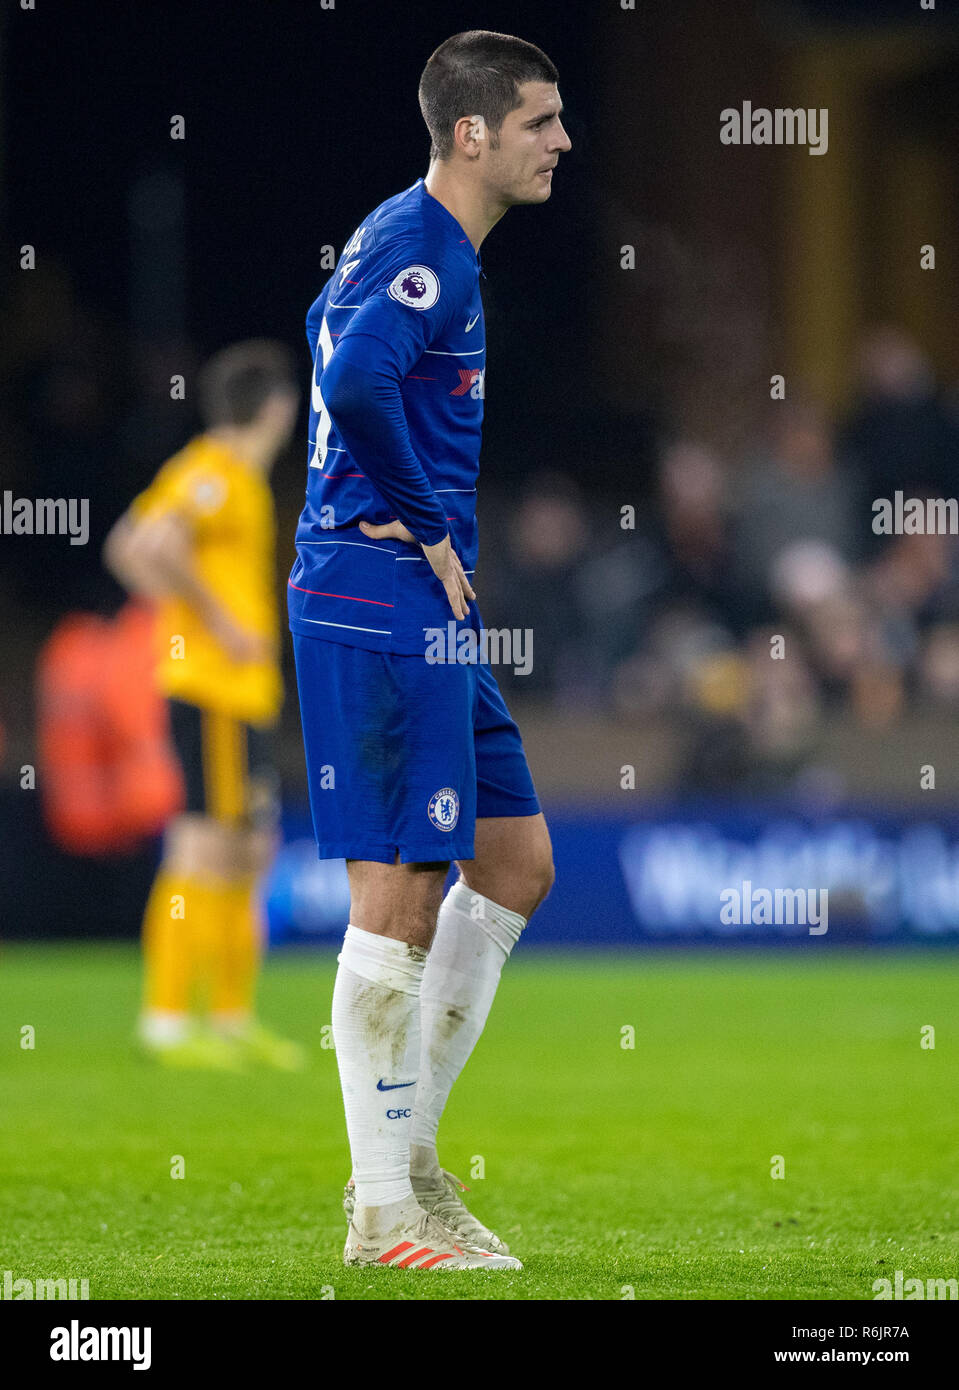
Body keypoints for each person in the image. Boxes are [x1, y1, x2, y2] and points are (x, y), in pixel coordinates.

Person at [289, 30, 568, 1271]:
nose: (560, 141)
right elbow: (350, 385)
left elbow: (321, 330)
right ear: (472, 134)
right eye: (538, 122)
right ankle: (385, 1212)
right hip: (381, 593)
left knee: (511, 862)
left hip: (410, 600)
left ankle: (407, 1167)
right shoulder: (423, 250)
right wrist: (422, 525)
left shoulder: (400, 234)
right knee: (397, 900)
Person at [104, 340, 304, 1071]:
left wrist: (184, 609)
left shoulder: (229, 475)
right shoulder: (216, 472)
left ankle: (228, 1017)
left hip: (237, 694)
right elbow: (145, 544)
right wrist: (215, 622)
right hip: (213, 689)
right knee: (203, 845)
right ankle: (164, 1020)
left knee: (249, 849)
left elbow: (130, 545)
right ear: (276, 408)